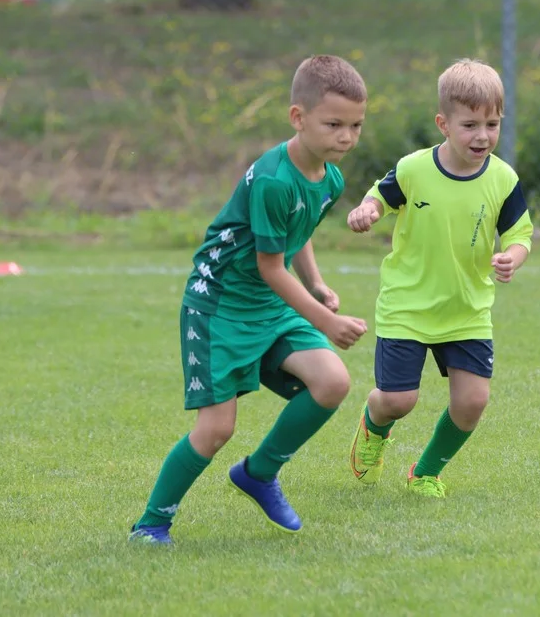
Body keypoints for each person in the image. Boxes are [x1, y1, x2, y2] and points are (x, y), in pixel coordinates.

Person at [129, 55, 370, 544]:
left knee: (332, 382)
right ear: (297, 118)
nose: (346, 136)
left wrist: (318, 282)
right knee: (217, 429)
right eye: (334, 124)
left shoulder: (330, 177)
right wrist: (325, 319)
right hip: (219, 306)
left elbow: (294, 233)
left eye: (356, 125)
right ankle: (152, 523)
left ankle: (258, 473)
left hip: (269, 306)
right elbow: (268, 265)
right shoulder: (273, 178)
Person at [346, 58, 533, 498]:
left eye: (492, 123)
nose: (483, 135)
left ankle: (425, 472)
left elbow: (520, 233)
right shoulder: (413, 169)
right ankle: (373, 427)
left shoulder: (503, 179)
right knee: (398, 401)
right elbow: (379, 197)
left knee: (472, 403)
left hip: (466, 310)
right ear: (443, 124)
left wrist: (513, 257)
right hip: (407, 305)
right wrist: (367, 211)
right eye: (470, 124)